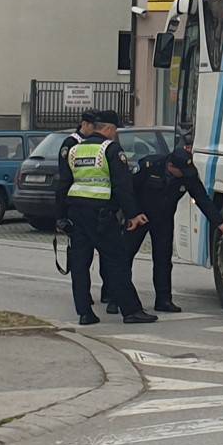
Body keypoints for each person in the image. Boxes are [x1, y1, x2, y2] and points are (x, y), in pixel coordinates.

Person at [55, 109, 155, 325]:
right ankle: (131, 311)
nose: (115, 134)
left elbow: (63, 184)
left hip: (76, 213)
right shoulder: (110, 149)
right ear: (109, 129)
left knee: (80, 264)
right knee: (116, 261)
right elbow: (122, 186)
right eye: (115, 130)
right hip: (101, 215)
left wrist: (60, 216)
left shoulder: (75, 149)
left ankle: (85, 313)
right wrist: (133, 215)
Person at [128, 138, 223, 312]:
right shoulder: (150, 166)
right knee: (125, 256)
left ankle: (163, 300)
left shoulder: (188, 174)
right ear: (171, 167)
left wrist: (219, 223)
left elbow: (202, 199)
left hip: (164, 220)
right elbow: (129, 190)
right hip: (140, 217)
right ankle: (118, 297)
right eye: (181, 172)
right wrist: (133, 214)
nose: (185, 175)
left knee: (163, 260)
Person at [58, 111, 113, 309]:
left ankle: (107, 294)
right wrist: (61, 214)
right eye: (92, 124)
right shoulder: (71, 144)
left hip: (94, 207)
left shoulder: (102, 144)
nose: (94, 128)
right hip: (84, 207)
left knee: (103, 258)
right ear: (84, 124)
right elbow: (64, 179)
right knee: (84, 259)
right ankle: (86, 297)